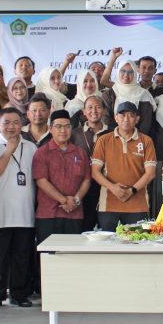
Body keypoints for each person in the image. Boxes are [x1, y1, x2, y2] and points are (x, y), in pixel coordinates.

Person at [0, 108, 38, 309]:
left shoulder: (31, 147)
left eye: (16, 122)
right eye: (6, 122)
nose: (11, 127)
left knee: (21, 257)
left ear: (22, 124)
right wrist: (9, 150)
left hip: (24, 212)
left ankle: (19, 294)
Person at [91, 102, 157, 231]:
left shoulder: (146, 141)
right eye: (122, 115)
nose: (126, 119)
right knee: (109, 243)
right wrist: (112, 188)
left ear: (137, 119)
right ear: (116, 118)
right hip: (109, 205)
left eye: (131, 115)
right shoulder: (103, 140)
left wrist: (132, 190)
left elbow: (150, 173)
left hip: (138, 206)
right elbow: (95, 172)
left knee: (137, 241)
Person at [32, 110, 91, 245]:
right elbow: (41, 181)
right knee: (48, 254)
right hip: (48, 214)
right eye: (58, 126)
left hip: (74, 214)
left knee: (72, 253)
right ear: (50, 129)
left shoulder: (80, 153)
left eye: (67, 126)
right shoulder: (42, 153)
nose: (63, 130)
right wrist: (64, 200)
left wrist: (76, 200)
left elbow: (86, 179)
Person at [72, 94, 110, 232]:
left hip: (107, 186)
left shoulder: (112, 133)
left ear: (104, 110)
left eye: (98, 107)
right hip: (83, 187)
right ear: (84, 111)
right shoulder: (74, 134)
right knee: (85, 229)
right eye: (89, 107)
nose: (94, 111)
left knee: (107, 229)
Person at [104, 62, 157, 136]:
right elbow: (106, 119)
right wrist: (118, 137)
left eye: (130, 72)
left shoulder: (144, 94)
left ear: (135, 74)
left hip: (138, 139)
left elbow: (146, 124)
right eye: (123, 71)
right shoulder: (109, 93)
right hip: (113, 137)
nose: (126, 74)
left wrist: (133, 138)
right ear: (118, 71)